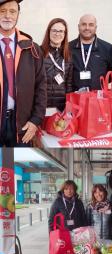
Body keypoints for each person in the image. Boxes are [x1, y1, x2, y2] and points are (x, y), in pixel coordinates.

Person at [0, 0, 47, 147]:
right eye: (2, 11)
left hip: (23, 125)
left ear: (18, 14)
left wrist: (35, 120)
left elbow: (41, 87)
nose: (7, 16)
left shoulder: (32, 48)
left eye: (12, 11)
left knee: (17, 165)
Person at [69, 14, 112, 91]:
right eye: (83, 24)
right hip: (74, 98)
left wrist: (100, 84)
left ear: (95, 27)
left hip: (98, 99)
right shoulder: (68, 48)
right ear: (78, 27)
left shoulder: (107, 48)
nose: (87, 28)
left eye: (91, 25)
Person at [41, 18, 73, 111]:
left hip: (61, 109)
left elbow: (69, 86)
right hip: (42, 108)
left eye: (61, 31)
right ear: (49, 32)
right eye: (54, 30)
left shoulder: (68, 56)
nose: (57, 34)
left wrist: (68, 107)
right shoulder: (39, 53)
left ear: (65, 34)